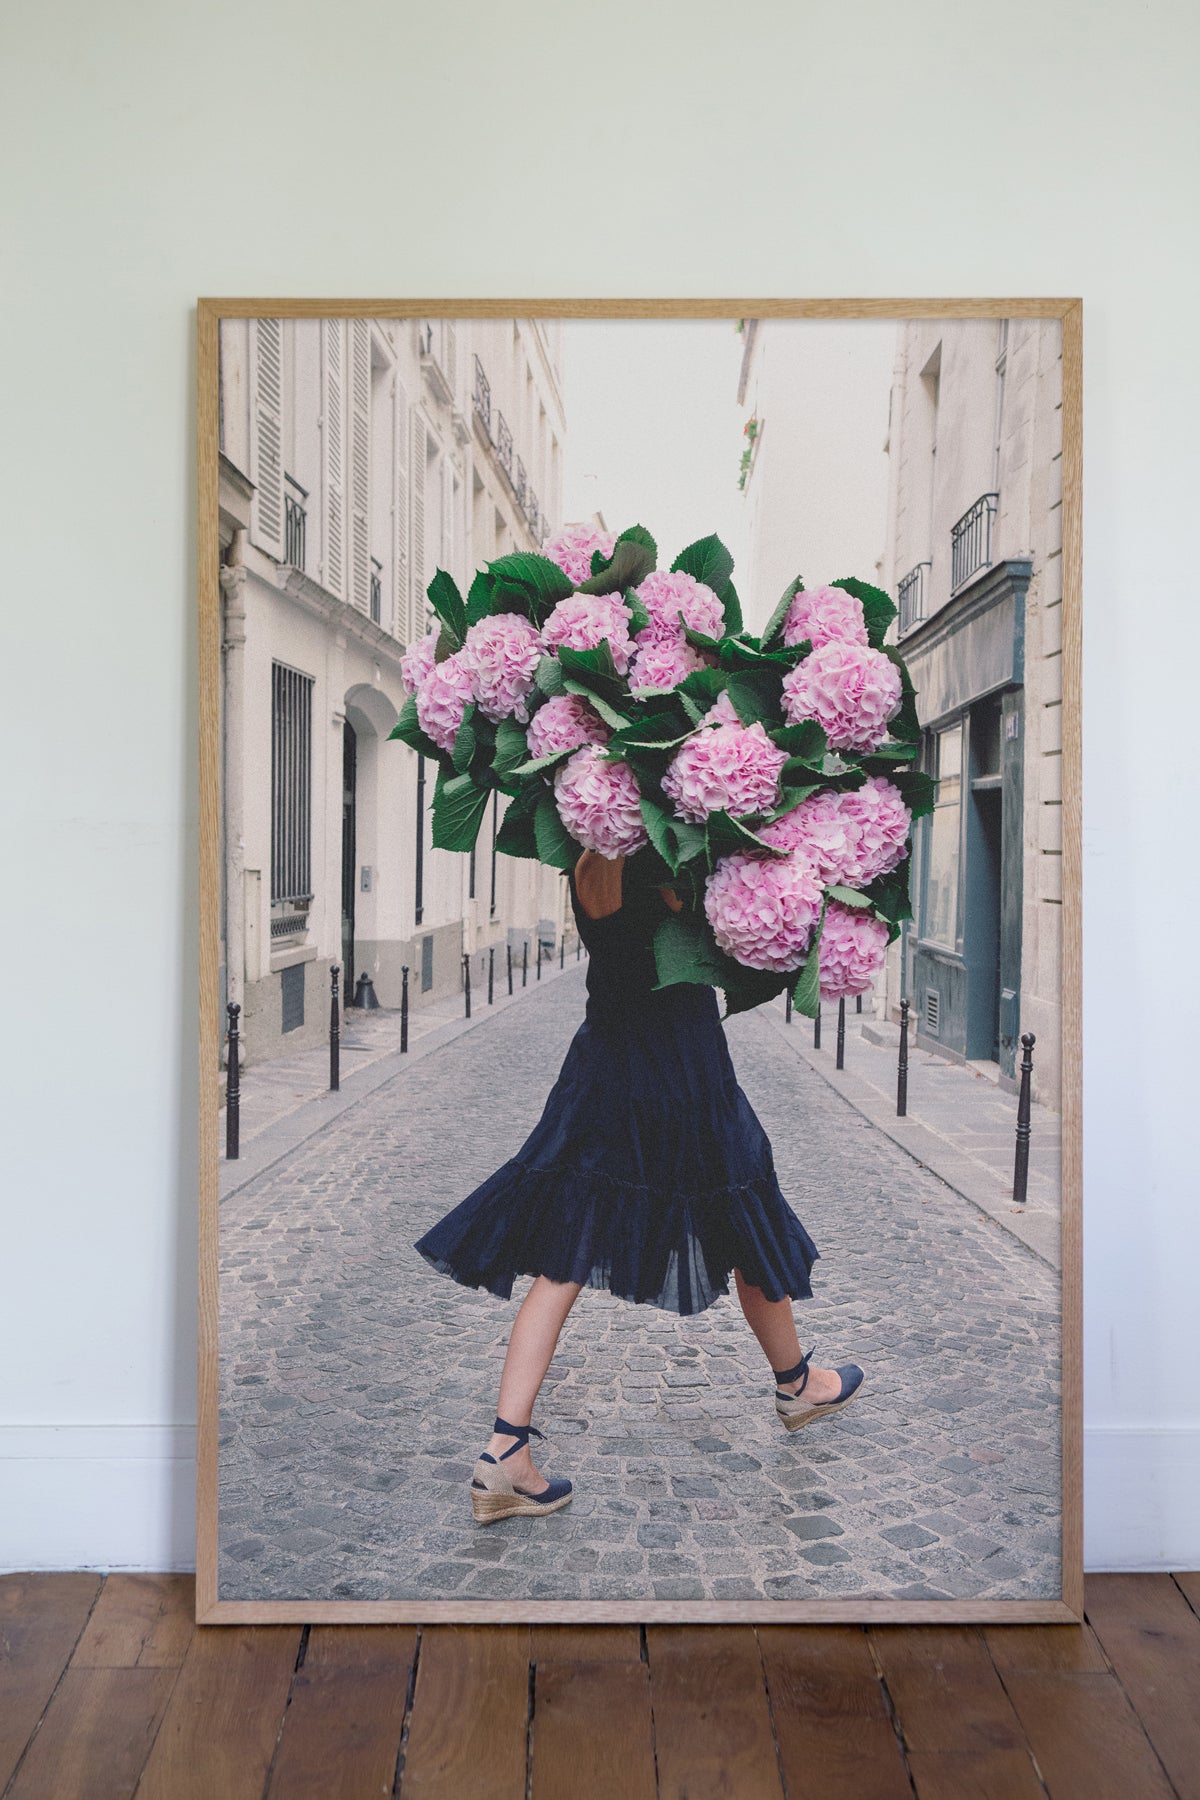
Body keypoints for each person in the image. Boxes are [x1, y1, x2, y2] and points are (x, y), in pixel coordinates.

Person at [413, 848, 864, 1524]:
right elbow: (720, 946)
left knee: (567, 1254)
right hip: (684, 1070)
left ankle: (505, 1449)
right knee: (747, 1213)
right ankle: (798, 1385)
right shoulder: (668, 864)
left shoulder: (586, 865)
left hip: (604, 1063)